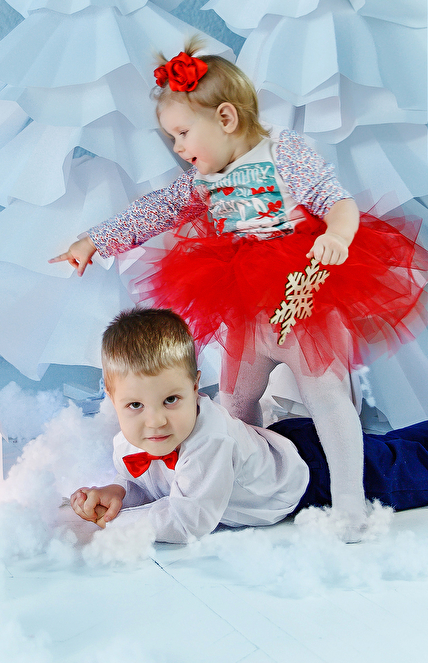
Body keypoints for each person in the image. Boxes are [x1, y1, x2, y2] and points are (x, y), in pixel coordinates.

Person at [52, 38, 428, 541]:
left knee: (328, 395)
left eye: (183, 133)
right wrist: (96, 240)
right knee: (234, 400)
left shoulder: (285, 153)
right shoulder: (200, 182)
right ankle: (242, 477)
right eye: (173, 138)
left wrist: (337, 237)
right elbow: (154, 210)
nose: (179, 148)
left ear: (226, 118)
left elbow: (336, 200)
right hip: (247, 308)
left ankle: (349, 503)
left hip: (302, 299)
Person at [71, 308, 428, 544]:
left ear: (195, 387)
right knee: (392, 448)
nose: (155, 421)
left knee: (409, 468)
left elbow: (186, 520)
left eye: (171, 400)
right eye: (135, 405)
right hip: (282, 446)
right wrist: (117, 494)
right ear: (112, 399)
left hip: (311, 475)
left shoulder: (208, 441)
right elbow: (153, 486)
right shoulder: (131, 441)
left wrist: (117, 525)